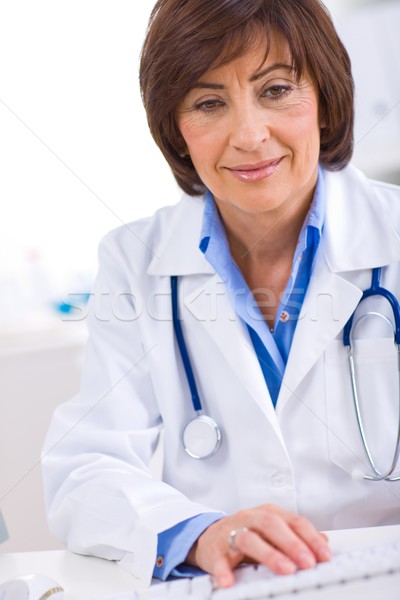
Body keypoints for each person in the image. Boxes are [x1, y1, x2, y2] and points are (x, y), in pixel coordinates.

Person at [42, 0, 400, 588]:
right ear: (177, 131)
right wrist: (199, 531)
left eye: (277, 89)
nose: (249, 135)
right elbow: (84, 467)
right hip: (231, 584)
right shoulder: (134, 260)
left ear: (325, 99)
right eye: (209, 103)